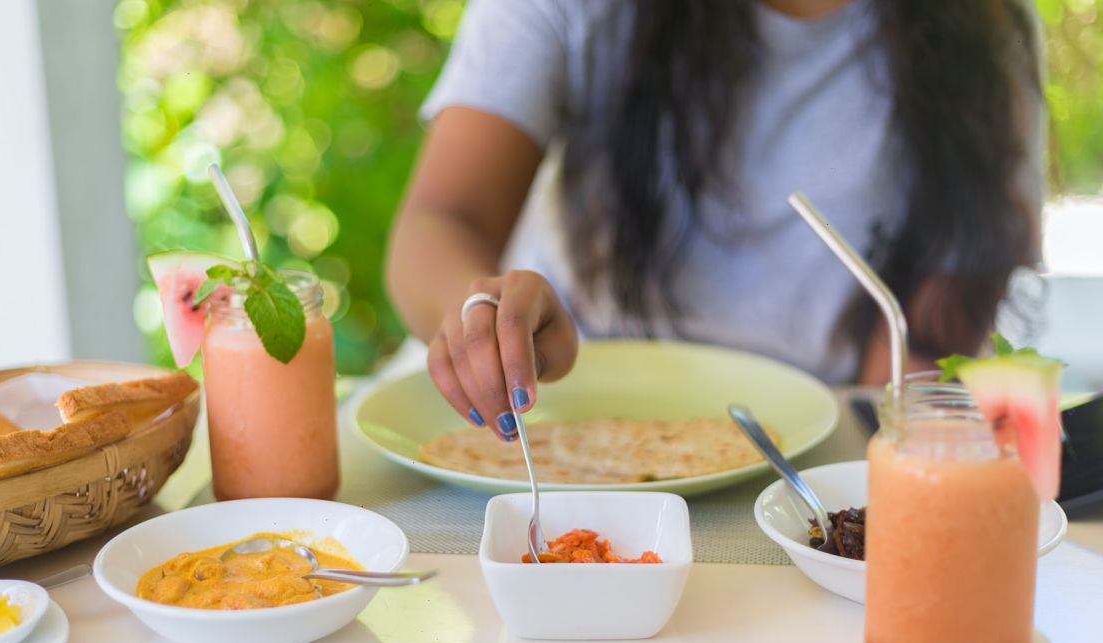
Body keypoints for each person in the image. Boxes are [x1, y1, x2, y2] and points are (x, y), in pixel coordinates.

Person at [386, 0, 1044, 441]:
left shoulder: (983, 28)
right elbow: (443, 219)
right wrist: (481, 317)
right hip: (557, 419)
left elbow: (919, 354)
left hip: (813, 453)